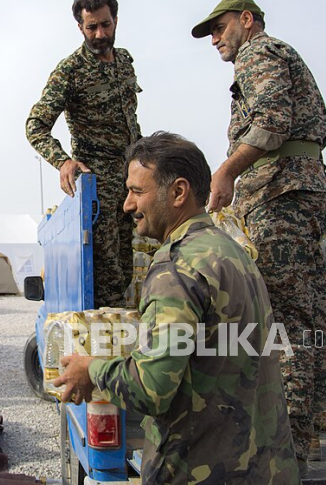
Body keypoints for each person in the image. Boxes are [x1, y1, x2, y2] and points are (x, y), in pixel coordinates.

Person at [54, 132, 299, 484]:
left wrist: (90, 371)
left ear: (178, 192)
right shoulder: (231, 252)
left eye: (137, 191)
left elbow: (151, 388)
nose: (126, 204)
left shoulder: (177, 266)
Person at [192, 0, 326, 467]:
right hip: (301, 191)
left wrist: (227, 171)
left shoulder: (259, 52)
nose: (215, 39)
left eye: (220, 28)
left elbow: (272, 122)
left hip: (279, 195)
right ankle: (306, 435)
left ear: (246, 21)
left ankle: (287, 448)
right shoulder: (279, 55)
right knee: (311, 319)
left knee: (283, 324)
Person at [26, 0, 142, 308]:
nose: (100, 33)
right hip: (98, 186)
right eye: (91, 27)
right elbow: (35, 125)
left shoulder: (126, 63)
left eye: (105, 24)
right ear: (80, 27)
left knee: (138, 265)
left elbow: (132, 121)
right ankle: (109, 348)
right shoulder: (70, 72)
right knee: (110, 278)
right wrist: (63, 161)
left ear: (115, 20)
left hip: (135, 179)